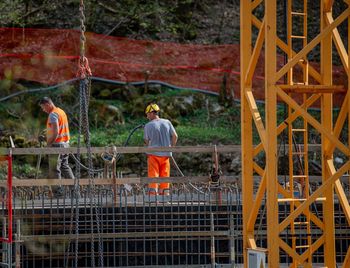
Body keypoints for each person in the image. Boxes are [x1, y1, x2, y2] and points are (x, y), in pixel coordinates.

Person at [144, 103, 178, 195]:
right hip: (166, 155)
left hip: (153, 155)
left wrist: (151, 145)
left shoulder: (148, 125)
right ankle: (165, 196)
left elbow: (146, 140)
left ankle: (153, 197)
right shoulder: (167, 122)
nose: (147, 116)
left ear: (151, 113)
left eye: (147, 114)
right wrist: (171, 148)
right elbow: (175, 136)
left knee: (153, 175)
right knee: (165, 176)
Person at [38, 97, 75, 182]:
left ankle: (58, 193)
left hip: (57, 145)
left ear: (48, 104)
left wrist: (49, 144)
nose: (43, 110)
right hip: (65, 144)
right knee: (65, 166)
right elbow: (58, 129)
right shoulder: (61, 111)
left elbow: (56, 132)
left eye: (43, 107)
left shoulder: (53, 114)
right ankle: (74, 189)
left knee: (54, 170)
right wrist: (46, 135)